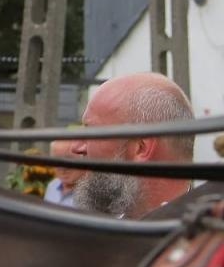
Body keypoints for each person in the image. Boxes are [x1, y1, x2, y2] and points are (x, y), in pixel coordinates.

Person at [69, 72, 195, 218]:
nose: (76, 147)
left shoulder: (208, 236)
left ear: (141, 148)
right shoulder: (105, 232)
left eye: (90, 131)